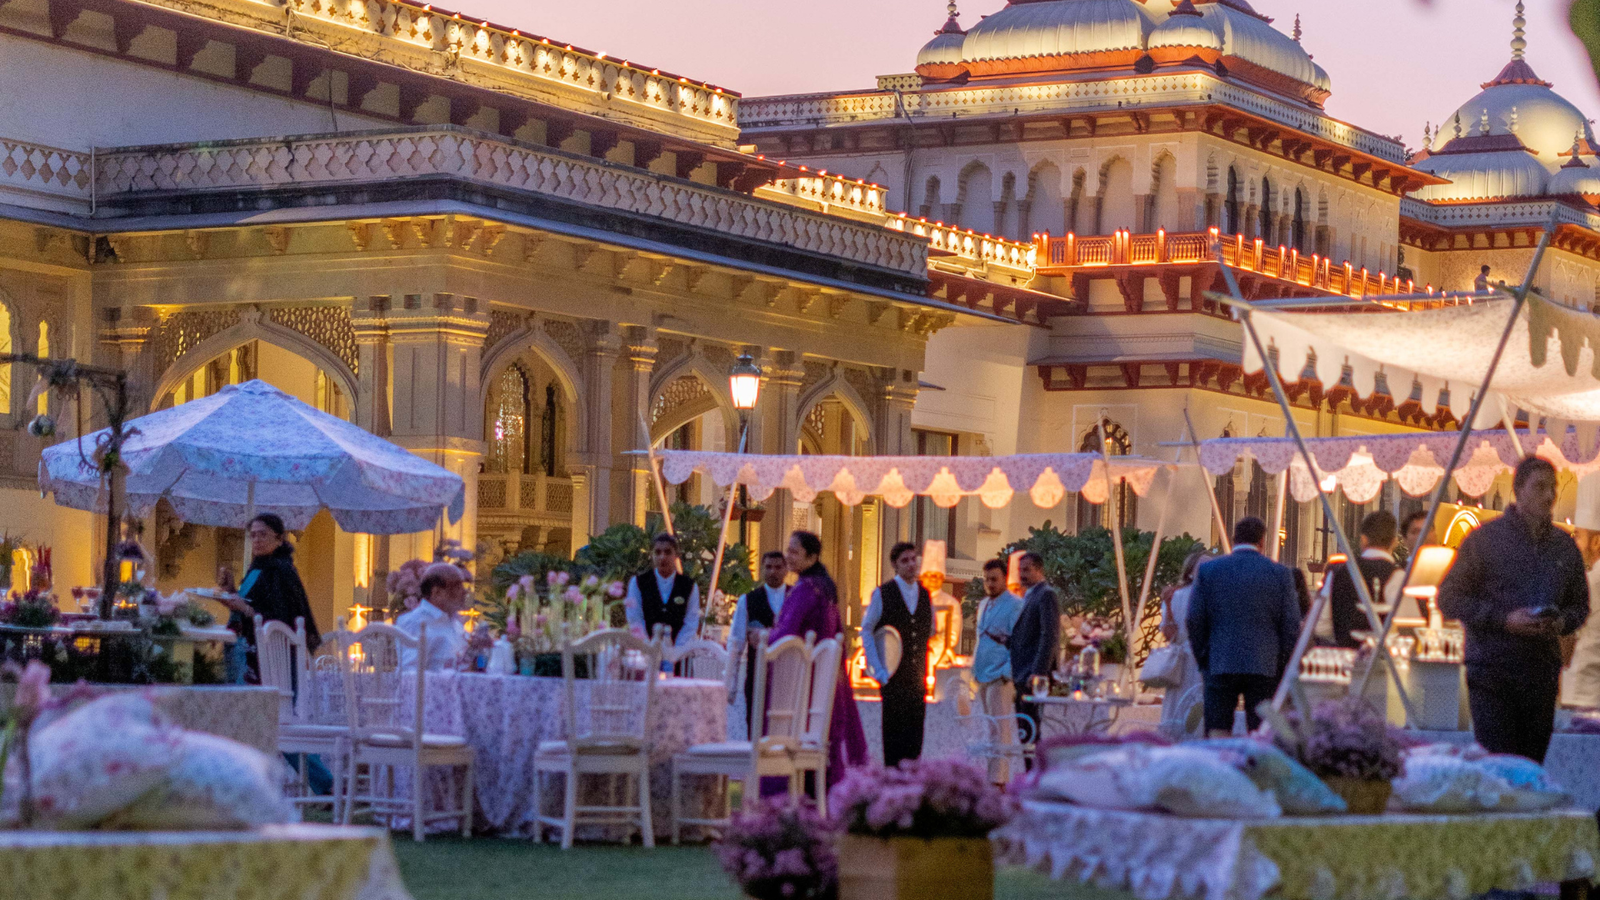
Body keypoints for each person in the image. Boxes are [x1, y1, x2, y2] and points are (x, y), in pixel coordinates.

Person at [1440, 456, 1590, 762]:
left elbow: (1580, 606)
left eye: (1553, 489)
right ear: (1518, 490)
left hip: (1540, 675)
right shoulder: (1485, 540)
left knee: (1531, 767)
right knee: (1499, 763)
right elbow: (1450, 597)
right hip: (1493, 672)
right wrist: (1503, 620)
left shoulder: (1564, 548)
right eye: (1539, 487)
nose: (1549, 496)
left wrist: (1560, 622)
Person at [765, 530, 867, 791]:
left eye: (794, 552)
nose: (788, 556)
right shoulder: (824, 587)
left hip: (803, 679)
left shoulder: (806, 590)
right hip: (825, 678)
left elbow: (786, 631)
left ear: (811, 557)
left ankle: (785, 790)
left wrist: (762, 637)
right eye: (788, 550)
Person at [1187, 517, 1302, 735]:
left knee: (1217, 733)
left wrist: (1204, 657)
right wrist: (1281, 662)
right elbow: (1291, 624)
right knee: (1260, 734)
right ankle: (1253, 768)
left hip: (1220, 660)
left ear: (1233, 539)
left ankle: (1221, 768)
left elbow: (1194, 619)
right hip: (1264, 665)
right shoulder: (1280, 574)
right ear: (1262, 541)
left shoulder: (1209, 571)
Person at [215, 513, 322, 668]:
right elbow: (247, 602)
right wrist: (230, 590)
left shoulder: (282, 570)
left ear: (279, 539)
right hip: (249, 645)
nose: (257, 540)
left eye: (263, 534)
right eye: (253, 535)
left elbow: (281, 616)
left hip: (273, 655)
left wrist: (243, 607)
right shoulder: (257, 568)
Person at [862, 542, 932, 767]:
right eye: (905, 561)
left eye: (913, 559)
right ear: (895, 565)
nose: (912, 565)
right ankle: (891, 792)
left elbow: (929, 631)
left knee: (915, 743)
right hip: (893, 681)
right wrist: (878, 670)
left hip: (917, 681)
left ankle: (912, 792)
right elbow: (867, 630)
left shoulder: (925, 594)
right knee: (893, 742)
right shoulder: (884, 593)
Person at [970, 558, 1024, 782]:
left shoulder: (1015, 605)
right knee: (990, 729)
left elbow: (1019, 643)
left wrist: (1007, 673)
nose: (990, 584)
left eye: (994, 579)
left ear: (1004, 579)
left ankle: (998, 781)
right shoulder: (983, 605)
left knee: (1000, 730)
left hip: (1001, 676)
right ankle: (991, 778)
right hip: (982, 673)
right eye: (987, 580)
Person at [1317, 511, 1400, 649]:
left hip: (1346, 660)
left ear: (1363, 540)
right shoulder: (1398, 576)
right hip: (1384, 661)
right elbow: (1406, 627)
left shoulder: (1339, 573)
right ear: (1394, 542)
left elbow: (1321, 625)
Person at [728, 551, 788, 734]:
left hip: (788, 679)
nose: (773, 572)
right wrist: (731, 682)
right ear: (762, 570)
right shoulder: (748, 600)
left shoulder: (795, 598)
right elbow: (736, 643)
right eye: (768, 567)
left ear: (786, 570)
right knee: (755, 730)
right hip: (756, 678)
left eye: (778, 567)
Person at [1158, 547, 1212, 740]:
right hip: (1194, 657)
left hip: (1188, 656)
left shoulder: (1177, 596)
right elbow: (1169, 633)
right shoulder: (1183, 596)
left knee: (1187, 701)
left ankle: (1178, 737)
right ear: (1190, 571)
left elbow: (1169, 634)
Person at [1010, 551, 1061, 745]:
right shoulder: (1029, 595)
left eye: (1027, 570)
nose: (1021, 575)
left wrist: (1038, 672)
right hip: (1021, 673)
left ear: (1039, 570)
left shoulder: (1046, 595)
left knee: (1030, 731)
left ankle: (1034, 772)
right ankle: (1030, 771)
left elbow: (1049, 635)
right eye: (1020, 570)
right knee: (1024, 730)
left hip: (1032, 676)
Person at [624, 533, 700, 653]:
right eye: (657, 552)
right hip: (646, 654)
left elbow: (691, 622)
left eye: (667, 552)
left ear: (676, 555)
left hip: (679, 655)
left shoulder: (689, 586)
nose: (662, 557)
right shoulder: (638, 583)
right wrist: (648, 647)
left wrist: (675, 652)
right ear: (652, 555)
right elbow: (634, 618)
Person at [1562, 473, 1600, 708]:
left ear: (1596, 542)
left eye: (1578, 535)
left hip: (1581, 694)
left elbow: (1565, 641)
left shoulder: (1587, 582)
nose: (1575, 543)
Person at [394, 562, 471, 671]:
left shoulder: (455, 623)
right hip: (430, 687)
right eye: (457, 586)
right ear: (437, 592)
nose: (464, 592)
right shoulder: (415, 621)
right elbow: (409, 674)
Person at [920, 540, 963, 670]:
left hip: (940, 660)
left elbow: (952, 636)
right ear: (923, 577)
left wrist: (932, 644)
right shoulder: (913, 599)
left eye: (937, 576)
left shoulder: (951, 603)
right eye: (930, 575)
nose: (933, 579)